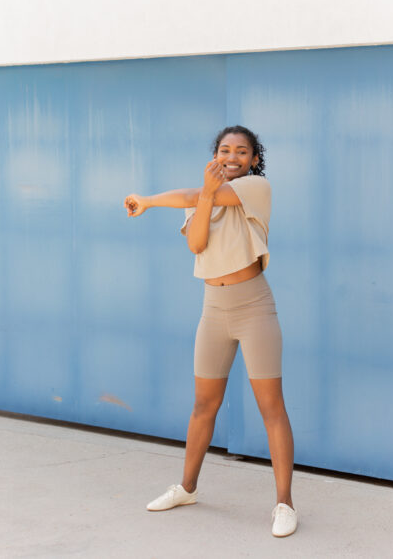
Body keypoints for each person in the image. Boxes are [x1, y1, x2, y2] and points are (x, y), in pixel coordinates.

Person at [124, 125, 298, 537]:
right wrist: (169, 199)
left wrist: (151, 200)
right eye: (225, 150)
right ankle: (186, 487)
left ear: (254, 159)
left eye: (242, 151)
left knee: (271, 406)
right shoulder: (202, 197)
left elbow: (201, 194)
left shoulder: (257, 187)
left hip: (254, 306)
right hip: (213, 309)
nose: (232, 156)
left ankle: (285, 503)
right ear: (214, 155)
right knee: (204, 404)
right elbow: (196, 244)